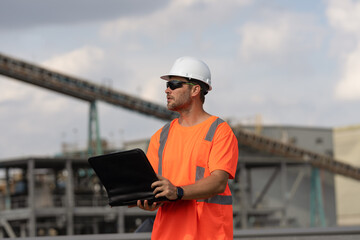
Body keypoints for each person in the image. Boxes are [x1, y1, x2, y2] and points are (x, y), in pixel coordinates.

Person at [137, 56, 239, 240]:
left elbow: (218, 182)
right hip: (167, 235)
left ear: (195, 89)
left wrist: (178, 192)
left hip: (208, 235)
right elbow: (151, 186)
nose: (167, 90)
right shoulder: (160, 137)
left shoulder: (219, 131)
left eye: (175, 84)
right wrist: (147, 200)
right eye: (167, 85)